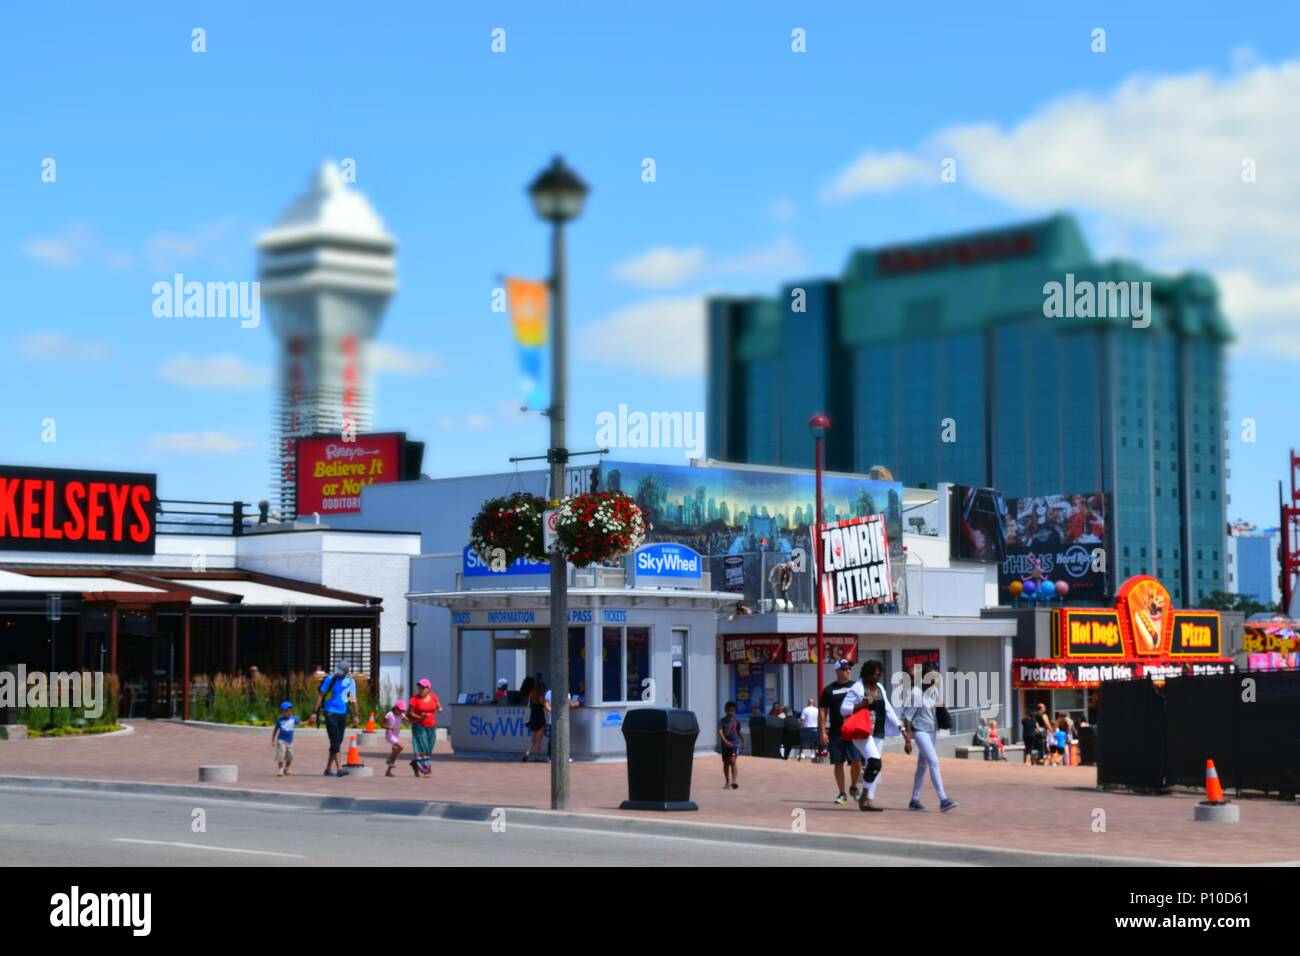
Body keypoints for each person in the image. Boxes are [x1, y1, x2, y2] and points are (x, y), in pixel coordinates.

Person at [842, 660, 911, 812]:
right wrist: (862, 704)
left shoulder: (879, 687)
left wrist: (902, 729)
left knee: (875, 766)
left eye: (879, 674)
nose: (877, 677)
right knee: (874, 762)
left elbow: (888, 710)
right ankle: (863, 798)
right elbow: (843, 709)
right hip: (862, 731)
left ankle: (868, 800)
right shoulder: (857, 688)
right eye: (875, 674)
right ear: (866, 674)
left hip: (878, 731)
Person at [901, 664, 956, 812]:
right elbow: (907, 717)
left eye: (936, 677)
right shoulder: (916, 693)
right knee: (934, 762)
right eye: (932, 676)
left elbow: (939, 710)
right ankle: (943, 799)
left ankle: (914, 800)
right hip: (920, 731)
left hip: (932, 731)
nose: (934, 680)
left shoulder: (934, 691)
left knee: (922, 766)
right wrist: (907, 740)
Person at [819, 659, 863, 805]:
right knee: (838, 763)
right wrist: (823, 732)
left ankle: (854, 787)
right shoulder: (829, 689)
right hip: (836, 732)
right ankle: (842, 793)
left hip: (854, 730)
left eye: (849, 668)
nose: (848, 671)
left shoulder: (857, 687)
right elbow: (823, 711)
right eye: (845, 669)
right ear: (837, 671)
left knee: (857, 761)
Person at [312, 659, 358, 777]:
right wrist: (314, 712)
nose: (339, 672)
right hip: (330, 712)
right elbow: (321, 695)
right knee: (335, 740)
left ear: (346, 671)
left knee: (337, 742)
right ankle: (339, 769)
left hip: (342, 713)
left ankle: (328, 769)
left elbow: (352, 699)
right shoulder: (330, 679)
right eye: (339, 669)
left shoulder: (350, 681)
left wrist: (356, 715)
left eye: (342, 671)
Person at [407, 679, 442, 777]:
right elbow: (410, 713)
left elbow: (438, 705)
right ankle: (426, 771)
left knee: (429, 748)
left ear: (429, 688)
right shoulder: (414, 699)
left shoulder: (433, 697)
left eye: (423, 687)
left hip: (431, 725)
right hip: (419, 725)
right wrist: (419, 717)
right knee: (423, 747)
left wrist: (440, 709)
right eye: (420, 687)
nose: (421, 689)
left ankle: (416, 762)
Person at [718, 701, 743, 788]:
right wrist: (725, 742)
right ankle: (727, 782)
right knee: (726, 763)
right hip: (725, 746)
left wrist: (743, 742)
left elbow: (740, 731)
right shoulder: (722, 721)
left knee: (733, 761)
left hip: (734, 745)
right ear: (725, 710)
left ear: (734, 711)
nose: (730, 713)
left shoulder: (736, 721)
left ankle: (734, 781)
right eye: (728, 711)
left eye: (732, 711)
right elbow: (720, 733)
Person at [271, 701, 300, 777]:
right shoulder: (279, 720)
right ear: (282, 712)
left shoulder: (293, 719)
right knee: (281, 755)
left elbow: (300, 723)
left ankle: (287, 768)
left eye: (290, 711)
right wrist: (273, 740)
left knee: (290, 756)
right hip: (281, 740)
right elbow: (275, 730)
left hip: (290, 741)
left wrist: (309, 721)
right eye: (287, 712)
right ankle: (280, 769)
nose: (289, 713)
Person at [523, 681, 547, 762]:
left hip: (532, 719)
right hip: (540, 718)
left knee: (533, 740)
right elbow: (546, 706)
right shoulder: (541, 697)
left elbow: (529, 706)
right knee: (539, 741)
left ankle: (527, 753)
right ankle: (537, 758)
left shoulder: (531, 695)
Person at [383, 699, 407, 777]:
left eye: (403, 711)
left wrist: (416, 720)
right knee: (401, 747)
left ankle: (388, 771)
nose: (401, 712)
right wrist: (388, 727)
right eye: (400, 710)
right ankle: (389, 759)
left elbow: (408, 719)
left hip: (396, 736)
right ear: (396, 708)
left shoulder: (401, 715)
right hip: (389, 735)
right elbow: (382, 724)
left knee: (395, 753)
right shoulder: (389, 715)